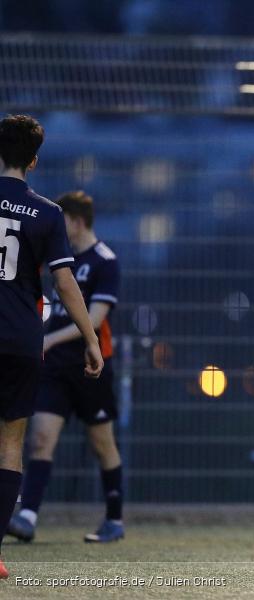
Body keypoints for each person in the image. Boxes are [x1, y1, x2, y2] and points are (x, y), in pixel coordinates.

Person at [0, 115, 103, 579]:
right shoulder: (46, 213)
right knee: (10, 443)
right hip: (21, 339)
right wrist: (90, 339)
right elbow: (64, 283)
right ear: (34, 161)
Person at [6, 190, 123, 545]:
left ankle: (114, 518)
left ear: (76, 220)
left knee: (102, 443)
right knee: (41, 438)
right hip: (56, 367)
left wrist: (49, 339)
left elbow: (96, 318)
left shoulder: (105, 261)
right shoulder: (60, 257)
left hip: (92, 365)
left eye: (64, 220)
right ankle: (27, 516)